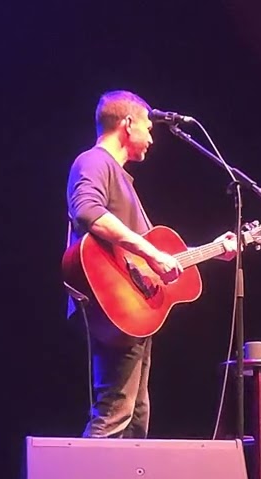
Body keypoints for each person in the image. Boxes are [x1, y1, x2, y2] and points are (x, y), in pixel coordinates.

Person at [66, 90, 236, 438]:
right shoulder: (94, 162)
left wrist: (213, 249)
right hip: (112, 305)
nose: (152, 136)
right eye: (147, 126)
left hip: (133, 313)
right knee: (114, 412)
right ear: (127, 124)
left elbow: (154, 256)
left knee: (135, 416)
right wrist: (152, 253)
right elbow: (86, 211)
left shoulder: (122, 180)